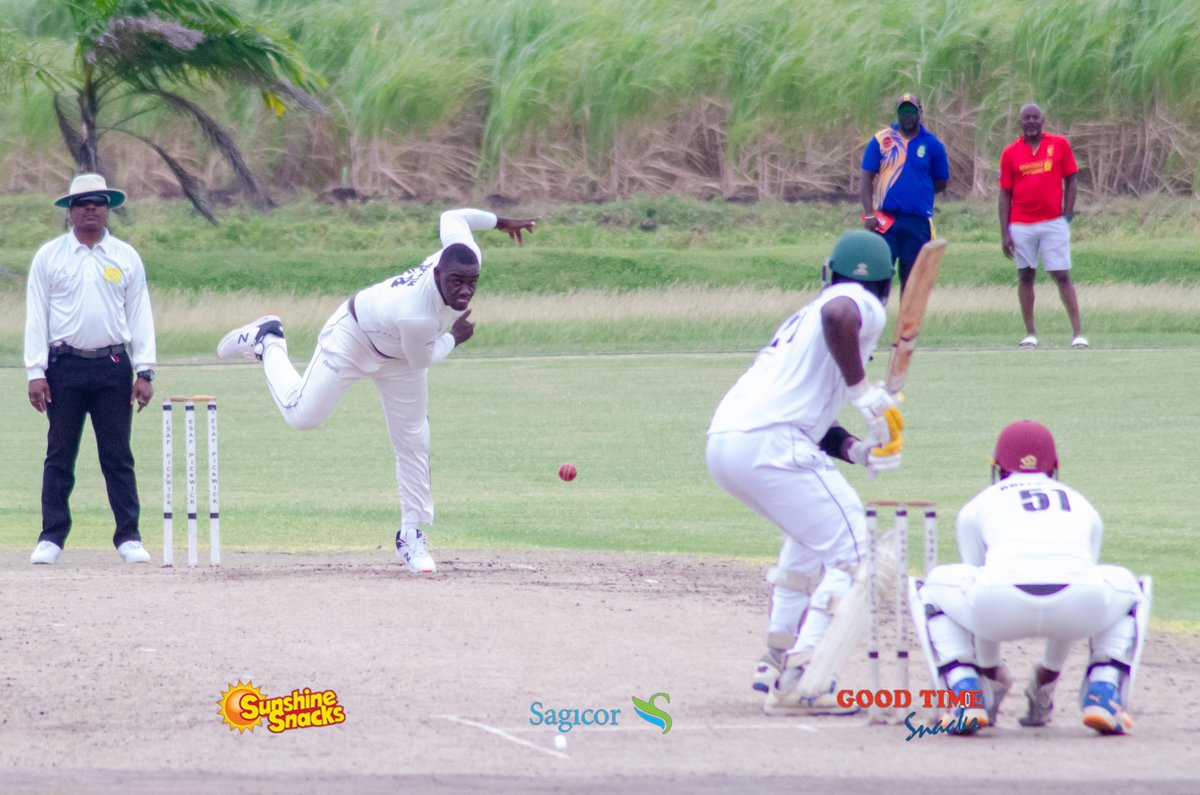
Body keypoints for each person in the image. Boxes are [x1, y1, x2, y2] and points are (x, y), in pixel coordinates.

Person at [217, 208, 536, 574]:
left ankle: (411, 535)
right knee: (302, 416)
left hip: (401, 356)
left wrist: (499, 222)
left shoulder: (466, 253)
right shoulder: (417, 313)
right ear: (438, 274)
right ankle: (268, 339)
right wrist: (455, 337)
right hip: (354, 338)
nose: (464, 291)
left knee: (414, 439)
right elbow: (423, 359)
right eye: (456, 283)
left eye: (472, 283)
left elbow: (453, 216)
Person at [706, 230, 904, 714]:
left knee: (814, 537)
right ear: (886, 285)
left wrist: (858, 450)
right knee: (861, 554)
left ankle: (775, 654)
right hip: (773, 444)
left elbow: (808, 414)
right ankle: (804, 677)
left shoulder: (805, 319)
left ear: (826, 270)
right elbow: (842, 314)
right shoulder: (856, 302)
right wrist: (863, 393)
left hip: (728, 442)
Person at [911, 420, 1148, 735]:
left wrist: (990, 670)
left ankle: (966, 695)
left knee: (932, 587)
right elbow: (1074, 576)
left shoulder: (978, 504)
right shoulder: (1081, 503)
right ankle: (1103, 692)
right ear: (1055, 466)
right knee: (1128, 586)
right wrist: (1046, 678)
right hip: (1079, 608)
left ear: (998, 466)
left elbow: (978, 579)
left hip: (997, 607)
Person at [24, 173, 158, 565]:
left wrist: (145, 371)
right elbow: (36, 316)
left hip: (113, 365)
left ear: (107, 208)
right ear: (70, 210)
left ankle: (128, 537)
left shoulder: (125, 257)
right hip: (63, 366)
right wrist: (35, 370)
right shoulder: (50, 257)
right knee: (60, 454)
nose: (90, 209)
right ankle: (51, 537)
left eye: (98, 202)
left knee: (116, 455)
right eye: (82, 203)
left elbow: (140, 314)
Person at [999, 103, 1087, 349]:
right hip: (1021, 223)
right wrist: (1004, 231)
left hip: (1052, 222)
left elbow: (1071, 180)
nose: (1031, 122)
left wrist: (1067, 215)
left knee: (1061, 275)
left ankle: (1078, 333)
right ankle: (1030, 333)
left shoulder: (1059, 145)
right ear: (1020, 122)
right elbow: (1005, 194)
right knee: (1026, 275)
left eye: (1035, 117)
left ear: (1042, 120)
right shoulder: (1010, 153)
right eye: (1026, 118)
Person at [860, 93, 950, 293]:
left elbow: (942, 182)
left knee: (912, 280)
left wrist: (919, 193)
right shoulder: (882, 140)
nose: (907, 116)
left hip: (917, 223)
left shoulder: (933, 145)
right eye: (903, 111)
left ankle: (908, 324)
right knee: (879, 274)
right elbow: (866, 178)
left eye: (911, 111)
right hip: (885, 221)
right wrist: (869, 213)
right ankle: (875, 319)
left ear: (920, 113)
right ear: (897, 114)